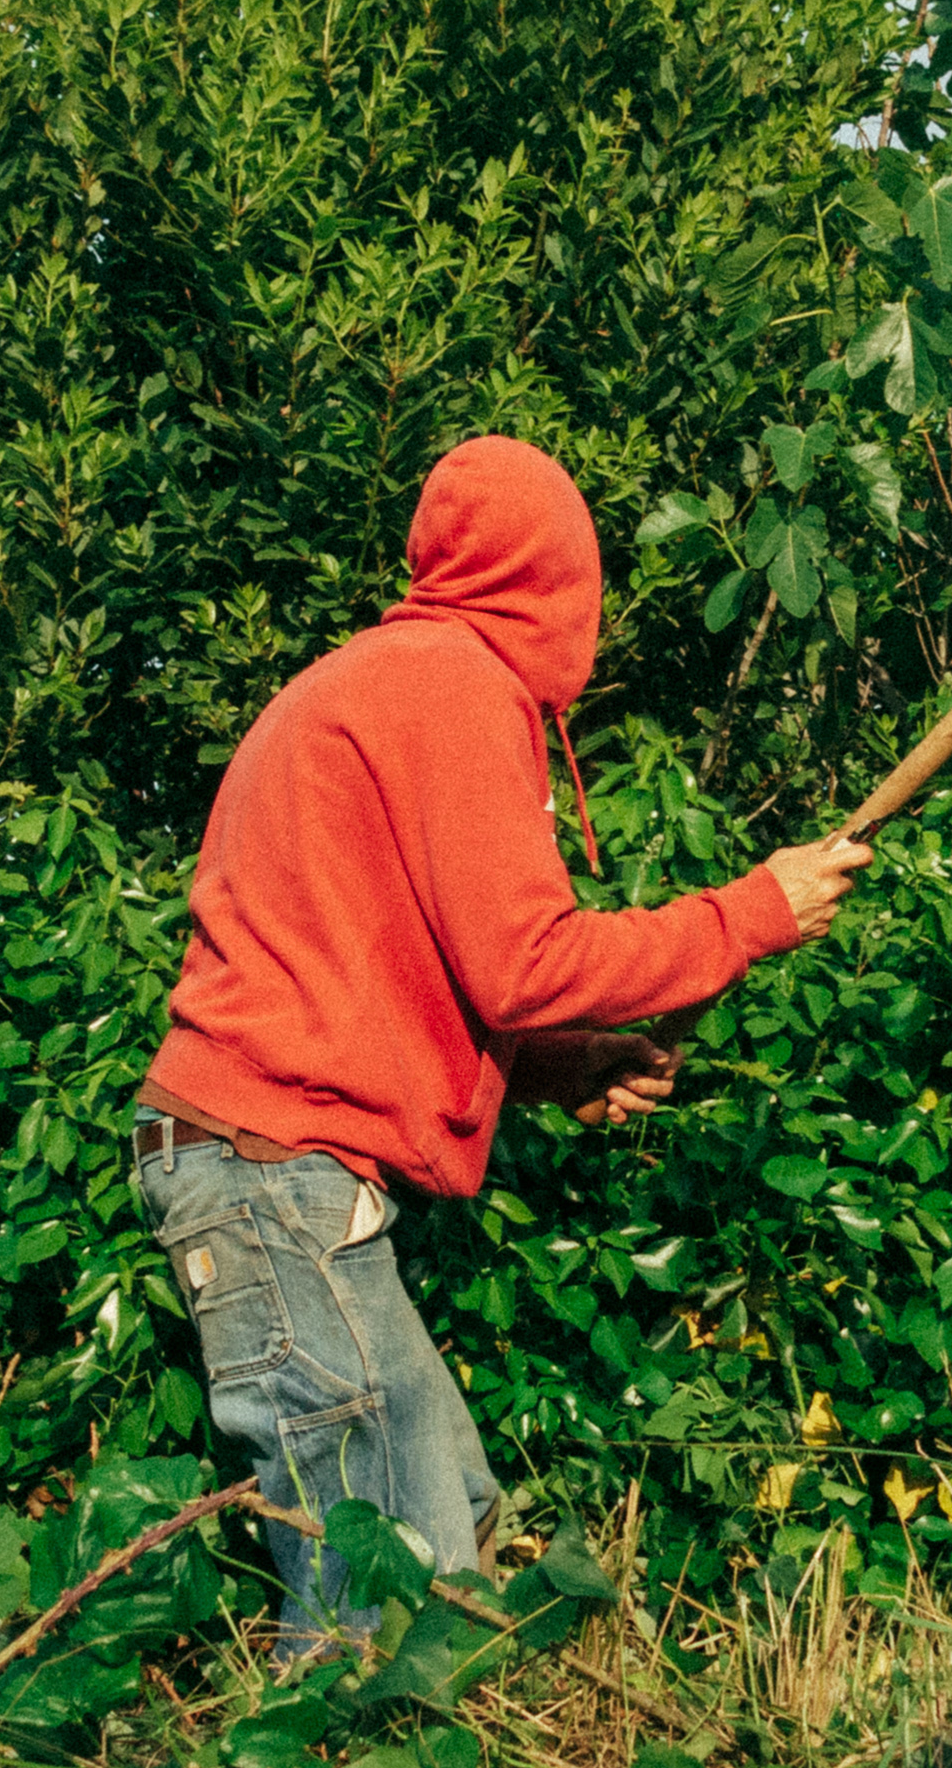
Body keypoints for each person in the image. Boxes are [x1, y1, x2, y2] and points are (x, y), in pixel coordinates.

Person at [129, 434, 870, 1646]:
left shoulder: (386, 679)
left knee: (449, 1523)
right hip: (272, 1172)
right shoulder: (453, 686)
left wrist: (562, 1066)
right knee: (382, 1592)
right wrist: (751, 914)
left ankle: (421, 1751)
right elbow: (525, 961)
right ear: (556, 579)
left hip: (264, 1164)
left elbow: (373, 971)